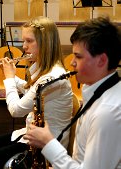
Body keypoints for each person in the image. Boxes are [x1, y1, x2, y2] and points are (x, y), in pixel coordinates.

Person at [0, 16, 73, 169]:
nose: (24, 46)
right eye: (24, 41)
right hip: (28, 136)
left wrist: (10, 78)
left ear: (45, 44)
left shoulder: (53, 77)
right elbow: (30, 90)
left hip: (42, 150)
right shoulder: (46, 70)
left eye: (29, 41)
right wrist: (10, 75)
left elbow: (16, 110)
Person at [23, 16, 121, 169]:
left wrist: (48, 144)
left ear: (102, 60)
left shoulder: (107, 112)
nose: (71, 63)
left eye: (78, 56)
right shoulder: (95, 90)